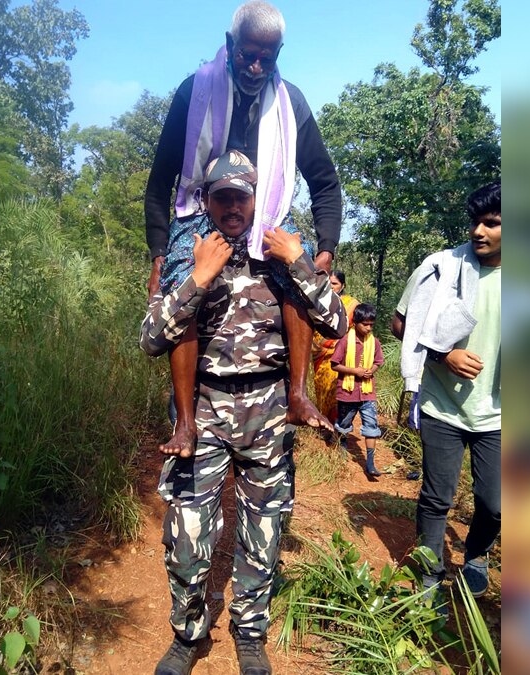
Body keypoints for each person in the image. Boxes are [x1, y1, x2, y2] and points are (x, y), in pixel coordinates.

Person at [140, 150, 346, 675]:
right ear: (206, 201)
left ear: (258, 198)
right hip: (202, 409)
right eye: (222, 197)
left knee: (263, 531)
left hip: (270, 409)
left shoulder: (278, 243)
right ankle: (188, 634)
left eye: (242, 196)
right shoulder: (191, 249)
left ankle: (250, 635)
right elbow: (151, 339)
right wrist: (198, 279)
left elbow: (335, 323)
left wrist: (298, 261)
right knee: (187, 535)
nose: (233, 207)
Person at [145, 0, 343, 459]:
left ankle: (295, 394)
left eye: (268, 58)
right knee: (186, 288)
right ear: (230, 44)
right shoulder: (193, 91)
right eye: (247, 55)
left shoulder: (290, 102)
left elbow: (325, 182)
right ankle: (187, 424)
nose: (256, 67)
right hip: (201, 207)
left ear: (279, 54)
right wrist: (160, 253)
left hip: (268, 209)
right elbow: (159, 183)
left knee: (294, 275)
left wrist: (323, 251)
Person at [394, 182, 501, 599]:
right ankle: (428, 576)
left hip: (498, 413)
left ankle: (476, 553)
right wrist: (442, 356)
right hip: (444, 407)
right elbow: (401, 324)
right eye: (475, 222)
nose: (479, 231)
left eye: (491, 223)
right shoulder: (441, 269)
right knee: (437, 497)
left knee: (494, 504)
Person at [331, 303, 385, 478]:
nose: (369, 328)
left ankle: (370, 464)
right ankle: (341, 444)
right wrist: (355, 371)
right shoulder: (345, 341)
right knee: (344, 423)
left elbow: (378, 362)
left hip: (367, 392)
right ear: (355, 323)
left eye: (371, 325)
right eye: (365, 324)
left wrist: (372, 371)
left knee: (371, 425)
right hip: (348, 392)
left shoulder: (374, 342)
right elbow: (335, 364)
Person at [311, 271, 359, 424]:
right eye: (328, 283)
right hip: (319, 355)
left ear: (342, 285)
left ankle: (338, 427)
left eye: (335, 284)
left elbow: (356, 330)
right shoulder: (316, 303)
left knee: (336, 391)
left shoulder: (351, 304)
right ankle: (325, 422)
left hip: (341, 356)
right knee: (322, 389)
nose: (331, 287)